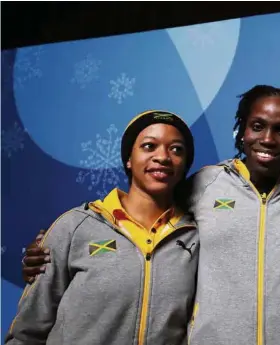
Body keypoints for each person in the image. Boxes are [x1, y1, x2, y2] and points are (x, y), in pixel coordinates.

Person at [19, 85, 280, 345]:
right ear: (242, 132)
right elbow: (146, 204)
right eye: (257, 126)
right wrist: (51, 249)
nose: (267, 138)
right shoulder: (206, 185)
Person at [6, 110, 199, 345]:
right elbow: (28, 330)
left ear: (185, 164)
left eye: (176, 149)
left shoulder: (195, 238)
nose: (163, 157)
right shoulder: (76, 226)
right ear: (129, 158)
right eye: (149, 146)